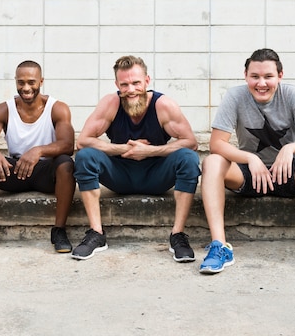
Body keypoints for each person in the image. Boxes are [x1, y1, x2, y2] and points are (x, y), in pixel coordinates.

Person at [200, 48, 295, 277]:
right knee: (213, 162)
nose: (261, 83)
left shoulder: (293, 94)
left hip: (288, 173)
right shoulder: (235, 96)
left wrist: (291, 148)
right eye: (255, 76)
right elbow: (217, 143)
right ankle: (220, 246)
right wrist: (249, 157)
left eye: (268, 76)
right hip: (250, 175)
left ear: (280, 76)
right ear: (245, 75)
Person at [72, 55, 201, 261]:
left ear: (147, 81)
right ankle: (96, 233)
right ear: (117, 84)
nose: (131, 90)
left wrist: (150, 151)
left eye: (136, 83)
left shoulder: (163, 105)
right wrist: (121, 148)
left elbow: (190, 141)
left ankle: (177, 235)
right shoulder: (111, 103)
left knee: (188, 158)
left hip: (156, 176)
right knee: (85, 156)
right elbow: (83, 140)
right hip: (120, 175)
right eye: (124, 84)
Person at [0, 60, 76, 253]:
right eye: (21, 82)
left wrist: (38, 150)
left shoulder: (57, 108)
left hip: (45, 172)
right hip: (15, 170)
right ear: (16, 82)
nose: (26, 88)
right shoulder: (4, 109)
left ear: (41, 81)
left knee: (66, 164)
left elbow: (67, 145)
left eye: (31, 82)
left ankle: (59, 230)